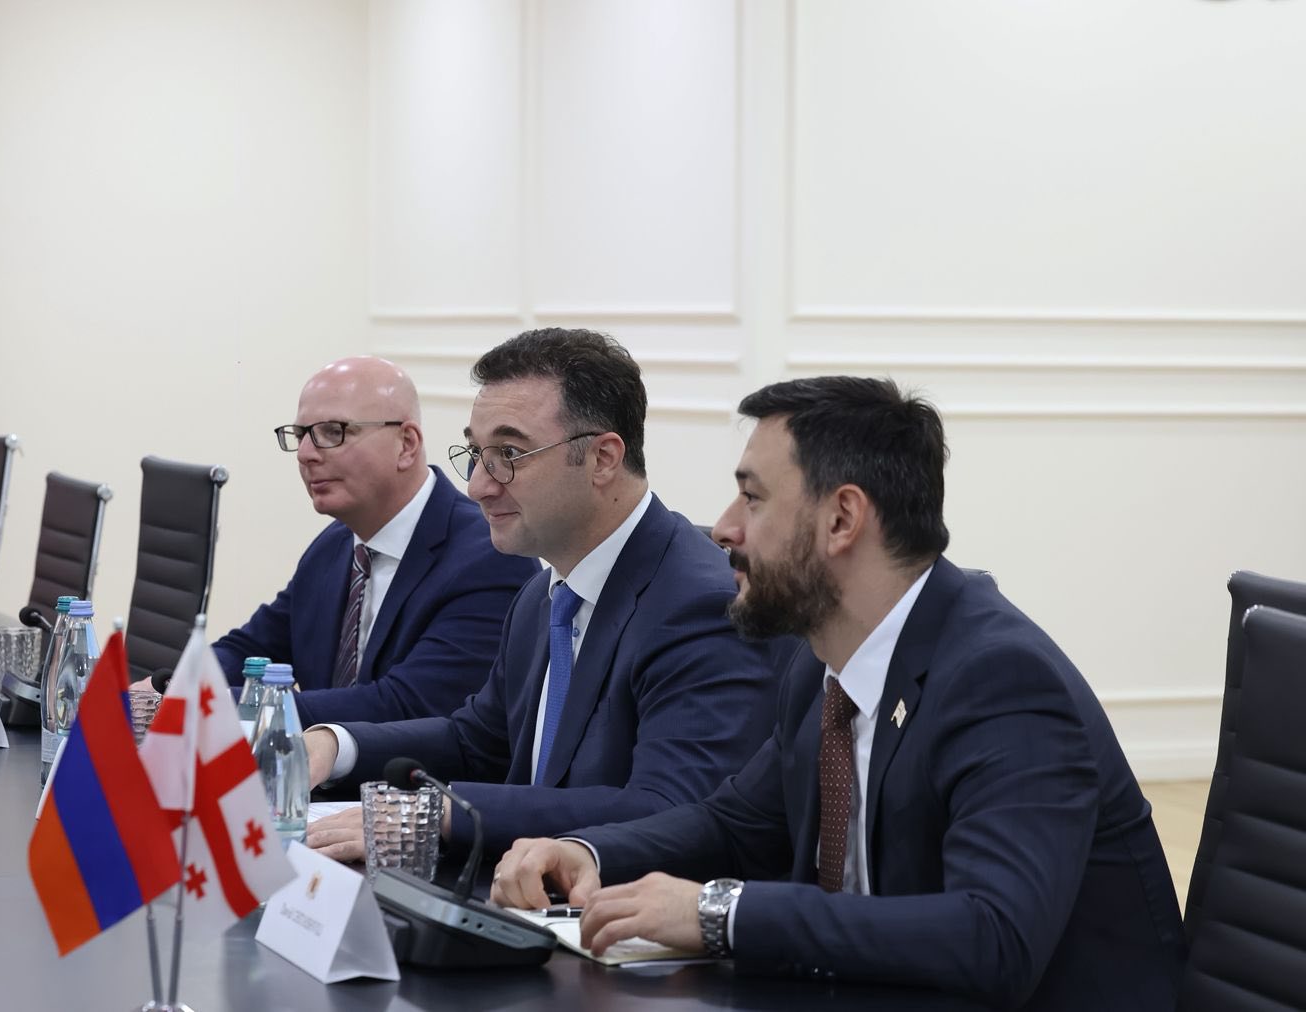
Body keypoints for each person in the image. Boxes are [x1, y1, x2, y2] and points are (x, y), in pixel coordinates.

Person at [490, 377, 1185, 1010]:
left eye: (753, 497)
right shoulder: (820, 662)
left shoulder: (1000, 680)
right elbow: (734, 825)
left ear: (842, 519)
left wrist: (719, 912)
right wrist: (587, 853)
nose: (725, 527)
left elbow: (993, 936)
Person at [304, 329, 791, 859]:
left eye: (509, 454)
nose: (478, 485)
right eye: (476, 453)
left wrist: (439, 815)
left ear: (603, 458)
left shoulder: (701, 606)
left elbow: (668, 808)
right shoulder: (544, 593)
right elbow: (476, 742)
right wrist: (336, 745)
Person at [209, 356, 540, 727]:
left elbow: (404, 706)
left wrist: (212, 704)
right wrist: (175, 685)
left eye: (332, 431)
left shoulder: (489, 556)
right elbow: (250, 648)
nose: (305, 454)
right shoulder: (336, 543)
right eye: (301, 435)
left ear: (406, 444)